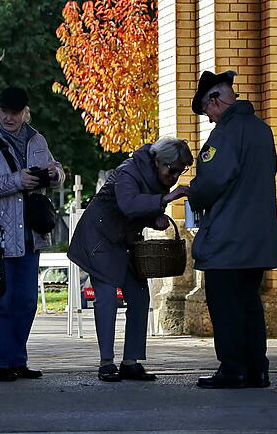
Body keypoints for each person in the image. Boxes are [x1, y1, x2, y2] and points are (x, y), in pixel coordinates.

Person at [68, 137, 192, 382]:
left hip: (124, 240)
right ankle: (106, 363)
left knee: (139, 296)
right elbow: (128, 204)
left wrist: (153, 219)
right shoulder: (129, 171)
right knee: (106, 297)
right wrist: (165, 199)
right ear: (157, 161)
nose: (176, 175)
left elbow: (141, 212)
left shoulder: (159, 176)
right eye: (173, 169)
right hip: (100, 237)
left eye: (181, 170)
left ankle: (130, 361)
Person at [187, 70, 277, 389]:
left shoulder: (226, 133)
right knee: (249, 304)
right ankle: (258, 369)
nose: (210, 119)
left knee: (226, 306)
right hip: (258, 237)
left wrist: (194, 192)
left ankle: (233, 369)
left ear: (215, 100)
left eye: (207, 111)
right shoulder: (261, 130)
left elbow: (213, 180)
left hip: (228, 237)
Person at [0, 86, 64, 381]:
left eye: (16, 112)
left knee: (26, 302)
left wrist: (54, 174)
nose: (10, 117)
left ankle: (16, 359)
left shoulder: (37, 140)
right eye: (5, 112)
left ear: (26, 112)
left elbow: (57, 171)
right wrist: (16, 180)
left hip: (31, 234)